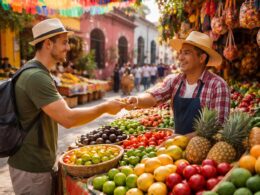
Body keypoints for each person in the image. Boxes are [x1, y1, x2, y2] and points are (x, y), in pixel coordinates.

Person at [8, 18, 125, 195]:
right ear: (48, 44)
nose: (68, 47)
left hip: (36, 164)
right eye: (64, 42)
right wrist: (105, 107)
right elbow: (68, 119)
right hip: (31, 168)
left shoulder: (36, 72)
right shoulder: (36, 77)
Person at [123, 31, 230, 135]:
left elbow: (218, 127)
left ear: (202, 58)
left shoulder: (218, 86)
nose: (180, 58)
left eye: (186, 53)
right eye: (180, 53)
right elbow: (154, 97)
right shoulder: (175, 80)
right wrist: (136, 100)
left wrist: (182, 140)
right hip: (176, 148)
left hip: (203, 151)